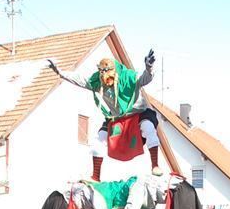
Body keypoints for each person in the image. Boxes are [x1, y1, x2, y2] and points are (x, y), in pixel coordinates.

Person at [49, 50, 162, 179]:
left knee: (148, 127)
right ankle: (96, 176)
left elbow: (144, 79)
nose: (107, 83)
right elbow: (81, 80)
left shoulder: (128, 77)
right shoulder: (99, 82)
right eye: (104, 80)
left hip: (138, 115)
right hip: (117, 119)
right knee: (99, 139)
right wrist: (60, 73)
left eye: (109, 79)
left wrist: (149, 67)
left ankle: (155, 165)